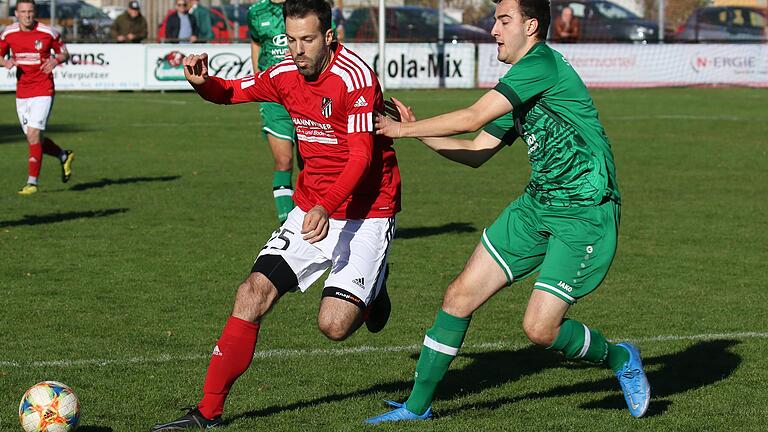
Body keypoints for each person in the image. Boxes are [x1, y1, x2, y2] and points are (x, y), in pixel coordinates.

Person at [365, 0, 650, 423]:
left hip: (584, 212)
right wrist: (417, 132)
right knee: (459, 295)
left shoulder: (542, 65)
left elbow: (473, 117)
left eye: (503, 20)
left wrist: (402, 129)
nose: (493, 29)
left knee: (540, 329)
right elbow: (478, 150)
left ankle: (620, 357)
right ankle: (416, 407)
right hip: (537, 205)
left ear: (531, 26)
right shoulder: (520, 81)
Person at [150, 0, 400, 429]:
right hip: (311, 207)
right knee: (252, 292)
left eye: (307, 40)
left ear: (329, 37)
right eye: (291, 39)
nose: (297, 49)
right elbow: (230, 92)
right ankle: (208, 413)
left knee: (335, 326)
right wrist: (202, 83)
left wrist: (327, 203)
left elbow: (360, 157)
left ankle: (373, 293)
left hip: (365, 209)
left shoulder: (355, 78)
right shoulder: (284, 72)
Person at [0, 0, 74, 196]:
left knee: (33, 134)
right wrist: (5, 62)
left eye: (30, 12)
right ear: (16, 13)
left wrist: (56, 59)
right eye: (23, 12)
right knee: (35, 139)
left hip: (43, 89)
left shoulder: (48, 32)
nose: (27, 16)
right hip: (22, 93)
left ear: (35, 12)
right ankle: (63, 155)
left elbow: (65, 53)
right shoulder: (8, 33)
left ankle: (32, 183)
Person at [247, 0, 296, 223]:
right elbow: (256, 43)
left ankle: (315, 219)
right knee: (284, 160)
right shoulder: (256, 12)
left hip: (306, 93)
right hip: (273, 97)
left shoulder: (304, 5)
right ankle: (287, 223)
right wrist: (258, 77)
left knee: (312, 164)